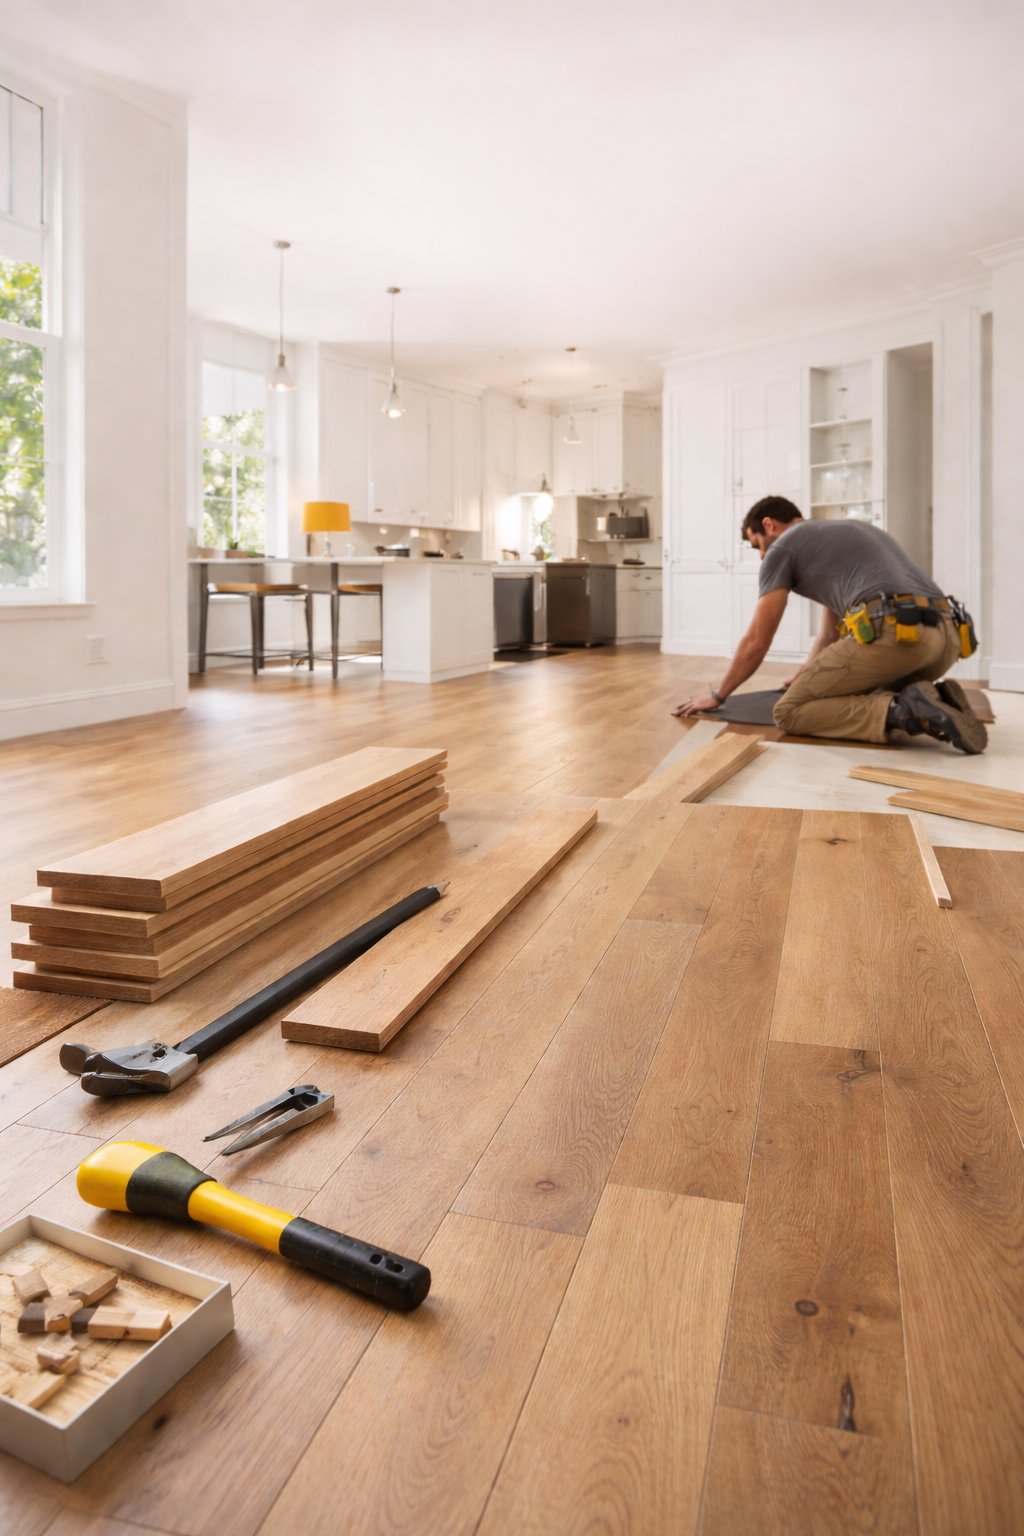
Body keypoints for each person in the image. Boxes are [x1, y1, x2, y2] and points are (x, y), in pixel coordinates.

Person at [673, 496, 986, 752]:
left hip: (900, 637)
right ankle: (936, 698)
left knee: (789, 712)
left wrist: (717, 696)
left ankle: (910, 712)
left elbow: (757, 640)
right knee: (851, 694)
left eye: (757, 545)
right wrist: (804, 673)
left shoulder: (782, 547)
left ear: (769, 525)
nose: (761, 557)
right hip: (947, 638)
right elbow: (828, 632)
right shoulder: (844, 533)